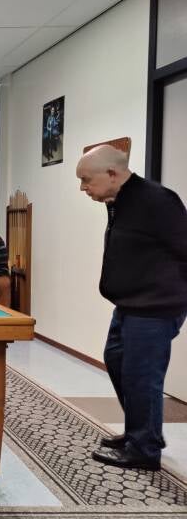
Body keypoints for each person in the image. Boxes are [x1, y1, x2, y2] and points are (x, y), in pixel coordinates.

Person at [76, 144, 187, 470]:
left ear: (112, 173)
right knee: (117, 360)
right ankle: (141, 432)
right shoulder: (119, 200)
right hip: (129, 304)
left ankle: (144, 450)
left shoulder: (157, 200)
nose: (83, 188)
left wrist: (172, 297)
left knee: (142, 375)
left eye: (86, 180)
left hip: (154, 307)